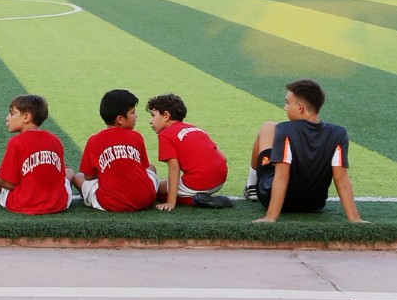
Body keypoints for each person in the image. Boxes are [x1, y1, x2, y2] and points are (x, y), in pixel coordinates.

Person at [248, 79, 363, 224]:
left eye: (288, 102)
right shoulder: (338, 134)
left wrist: (270, 217)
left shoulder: (284, 130)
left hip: (271, 198)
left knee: (268, 127)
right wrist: (355, 219)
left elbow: (281, 177)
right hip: (314, 204)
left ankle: (251, 186)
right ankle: (354, 218)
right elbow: (341, 180)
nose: (285, 107)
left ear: (300, 108)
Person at [0, 94, 71, 214]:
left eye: (12, 114)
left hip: (23, 204)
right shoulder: (56, 140)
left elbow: (9, 184)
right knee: (69, 172)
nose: (7, 118)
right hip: (58, 203)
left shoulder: (16, 142)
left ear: (26, 117)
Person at [73, 88, 160, 213]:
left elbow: (88, 176)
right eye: (132, 112)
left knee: (78, 177)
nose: (136, 116)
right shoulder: (136, 136)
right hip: (146, 200)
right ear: (120, 119)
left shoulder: (94, 140)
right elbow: (144, 166)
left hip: (111, 204)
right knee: (151, 168)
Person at [147, 93, 232, 209]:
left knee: (153, 190)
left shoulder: (165, 135)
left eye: (153, 115)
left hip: (198, 182)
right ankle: (203, 196)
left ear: (166, 115)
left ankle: (196, 200)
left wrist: (170, 202)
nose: (150, 121)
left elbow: (174, 168)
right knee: (166, 186)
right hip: (220, 179)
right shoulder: (194, 128)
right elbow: (223, 157)